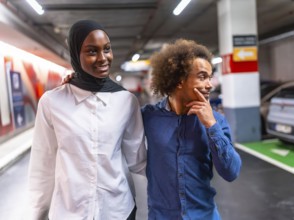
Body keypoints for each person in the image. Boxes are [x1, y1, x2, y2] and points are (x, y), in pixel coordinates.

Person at [26, 20, 146, 220]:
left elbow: (138, 163)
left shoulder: (125, 101)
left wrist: (145, 210)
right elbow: (43, 164)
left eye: (106, 49)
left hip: (118, 210)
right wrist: (38, 213)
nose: (103, 58)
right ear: (75, 54)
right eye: (92, 51)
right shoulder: (52, 102)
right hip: (69, 212)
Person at [142, 39, 242, 219]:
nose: (210, 84)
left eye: (210, 77)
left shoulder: (217, 121)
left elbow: (231, 172)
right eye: (202, 76)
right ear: (179, 80)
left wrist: (211, 126)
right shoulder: (148, 118)